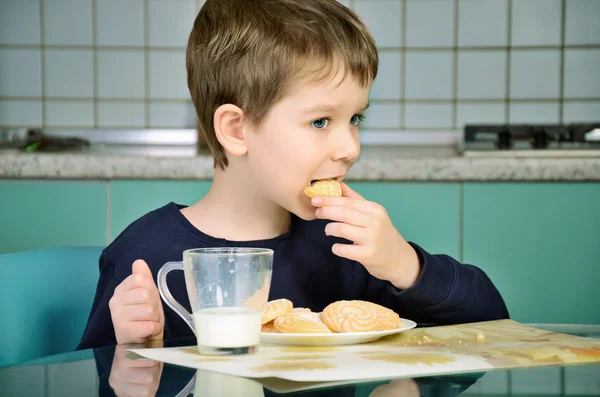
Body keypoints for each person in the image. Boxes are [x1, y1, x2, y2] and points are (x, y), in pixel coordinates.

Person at [78, 0, 508, 350]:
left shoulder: (342, 245)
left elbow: (493, 327)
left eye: (355, 118)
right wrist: (132, 351)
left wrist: (407, 266)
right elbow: (81, 379)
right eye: (321, 121)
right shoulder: (142, 255)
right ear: (236, 129)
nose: (350, 148)